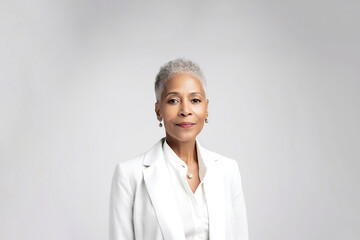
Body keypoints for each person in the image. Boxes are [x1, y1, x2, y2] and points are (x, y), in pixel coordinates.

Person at [109, 58, 248, 240]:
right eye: (173, 100)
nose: (185, 110)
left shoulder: (227, 170)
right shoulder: (129, 175)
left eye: (195, 100)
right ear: (159, 111)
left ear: (206, 108)